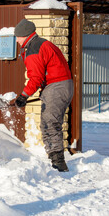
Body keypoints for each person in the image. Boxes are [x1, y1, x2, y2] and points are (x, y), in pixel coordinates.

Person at [14, 19, 74, 172]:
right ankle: (53, 159)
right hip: (58, 86)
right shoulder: (41, 43)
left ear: (24, 35)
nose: (17, 40)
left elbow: (36, 77)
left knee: (51, 124)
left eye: (18, 37)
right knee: (46, 124)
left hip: (57, 86)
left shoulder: (34, 48)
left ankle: (59, 164)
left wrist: (24, 95)